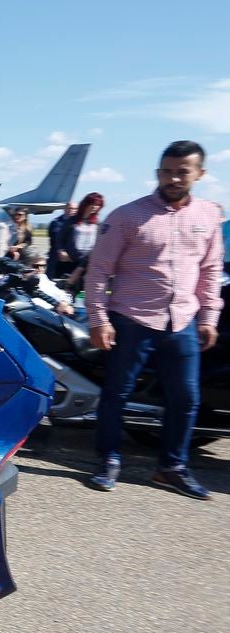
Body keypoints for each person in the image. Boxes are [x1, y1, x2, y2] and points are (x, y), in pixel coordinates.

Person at [84, 141, 223, 500]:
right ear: (158, 173)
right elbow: (99, 270)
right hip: (132, 320)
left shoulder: (209, 215)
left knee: (186, 398)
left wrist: (209, 317)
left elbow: (210, 270)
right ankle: (108, 459)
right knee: (116, 394)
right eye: (167, 171)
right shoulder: (127, 216)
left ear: (199, 174)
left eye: (182, 172)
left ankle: (171, 468)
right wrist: (99, 319)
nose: (173, 178)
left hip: (183, 321)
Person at [60, 191, 104, 293]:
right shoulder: (71, 221)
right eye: (93, 204)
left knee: (84, 291)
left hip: (88, 262)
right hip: (71, 260)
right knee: (67, 292)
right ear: (86, 204)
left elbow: (100, 244)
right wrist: (61, 250)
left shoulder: (98, 224)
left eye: (98, 205)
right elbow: (60, 238)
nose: (95, 207)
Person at [46, 200, 77, 279]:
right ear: (65, 209)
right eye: (70, 208)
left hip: (72, 261)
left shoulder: (79, 223)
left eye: (75, 209)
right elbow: (57, 238)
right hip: (57, 259)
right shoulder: (56, 223)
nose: (72, 210)